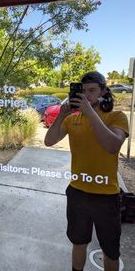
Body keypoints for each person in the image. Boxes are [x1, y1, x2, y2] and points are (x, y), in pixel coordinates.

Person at [44, 71, 129, 271]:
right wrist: (63, 114)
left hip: (106, 195)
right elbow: (49, 141)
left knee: (110, 250)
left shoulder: (116, 116)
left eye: (92, 91)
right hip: (77, 192)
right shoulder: (71, 119)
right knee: (78, 242)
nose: (87, 95)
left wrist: (90, 113)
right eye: (83, 92)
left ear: (103, 91)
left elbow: (112, 145)